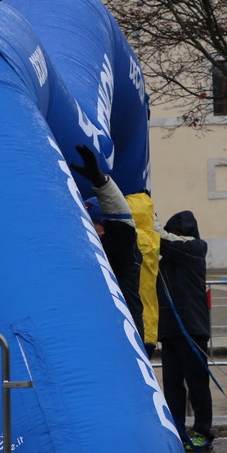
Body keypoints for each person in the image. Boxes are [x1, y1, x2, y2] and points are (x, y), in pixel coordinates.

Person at [69, 145, 144, 342]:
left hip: (123, 336)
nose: (86, 227)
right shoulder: (89, 251)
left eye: (92, 222)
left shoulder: (120, 250)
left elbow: (120, 220)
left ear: (105, 226)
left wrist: (101, 183)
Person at [157, 209, 213, 450]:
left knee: (197, 385)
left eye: (177, 233)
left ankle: (202, 431)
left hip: (192, 330)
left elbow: (162, 241)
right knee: (172, 385)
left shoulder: (195, 249)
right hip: (169, 331)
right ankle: (177, 430)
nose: (173, 237)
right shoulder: (165, 260)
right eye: (171, 232)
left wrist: (149, 221)